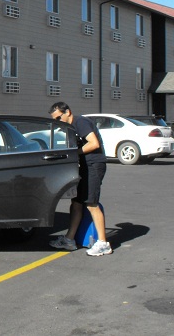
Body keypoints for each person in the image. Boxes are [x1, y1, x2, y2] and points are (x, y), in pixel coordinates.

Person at [48, 102, 112, 256]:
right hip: (83, 166)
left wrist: (75, 153)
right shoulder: (70, 127)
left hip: (94, 165)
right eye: (54, 119)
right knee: (76, 203)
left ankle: (103, 243)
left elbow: (94, 143)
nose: (58, 121)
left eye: (58, 117)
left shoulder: (81, 122)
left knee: (91, 203)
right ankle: (69, 239)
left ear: (68, 112)